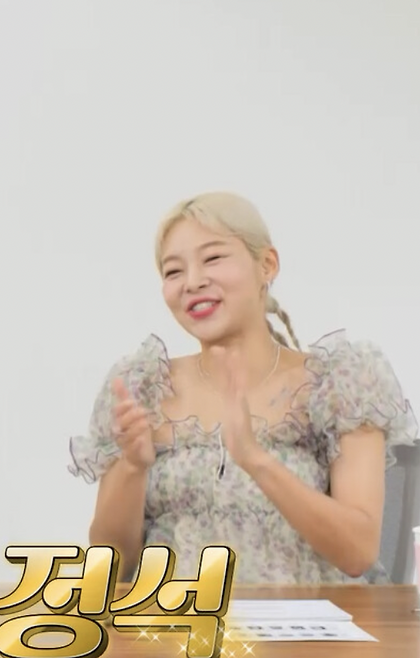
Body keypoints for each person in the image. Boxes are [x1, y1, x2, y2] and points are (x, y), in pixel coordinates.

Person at [69, 192, 418, 584]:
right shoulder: (143, 387)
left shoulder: (340, 383)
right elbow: (113, 564)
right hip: (177, 617)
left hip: (304, 619)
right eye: (173, 271)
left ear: (266, 265)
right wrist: (132, 468)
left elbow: (358, 552)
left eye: (213, 258)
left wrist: (255, 458)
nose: (193, 282)